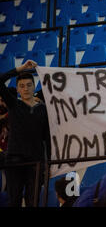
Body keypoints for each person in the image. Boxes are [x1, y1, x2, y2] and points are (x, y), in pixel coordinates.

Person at [0, 60, 51, 207]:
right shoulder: (14, 104)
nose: (26, 89)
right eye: (22, 86)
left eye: (29, 85)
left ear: (34, 87)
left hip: (36, 161)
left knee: (33, 201)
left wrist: (48, 163)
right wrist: (20, 69)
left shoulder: (43, 109)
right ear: (17, 89)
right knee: (14, 200)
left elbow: (47, 138)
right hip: (14, 159)